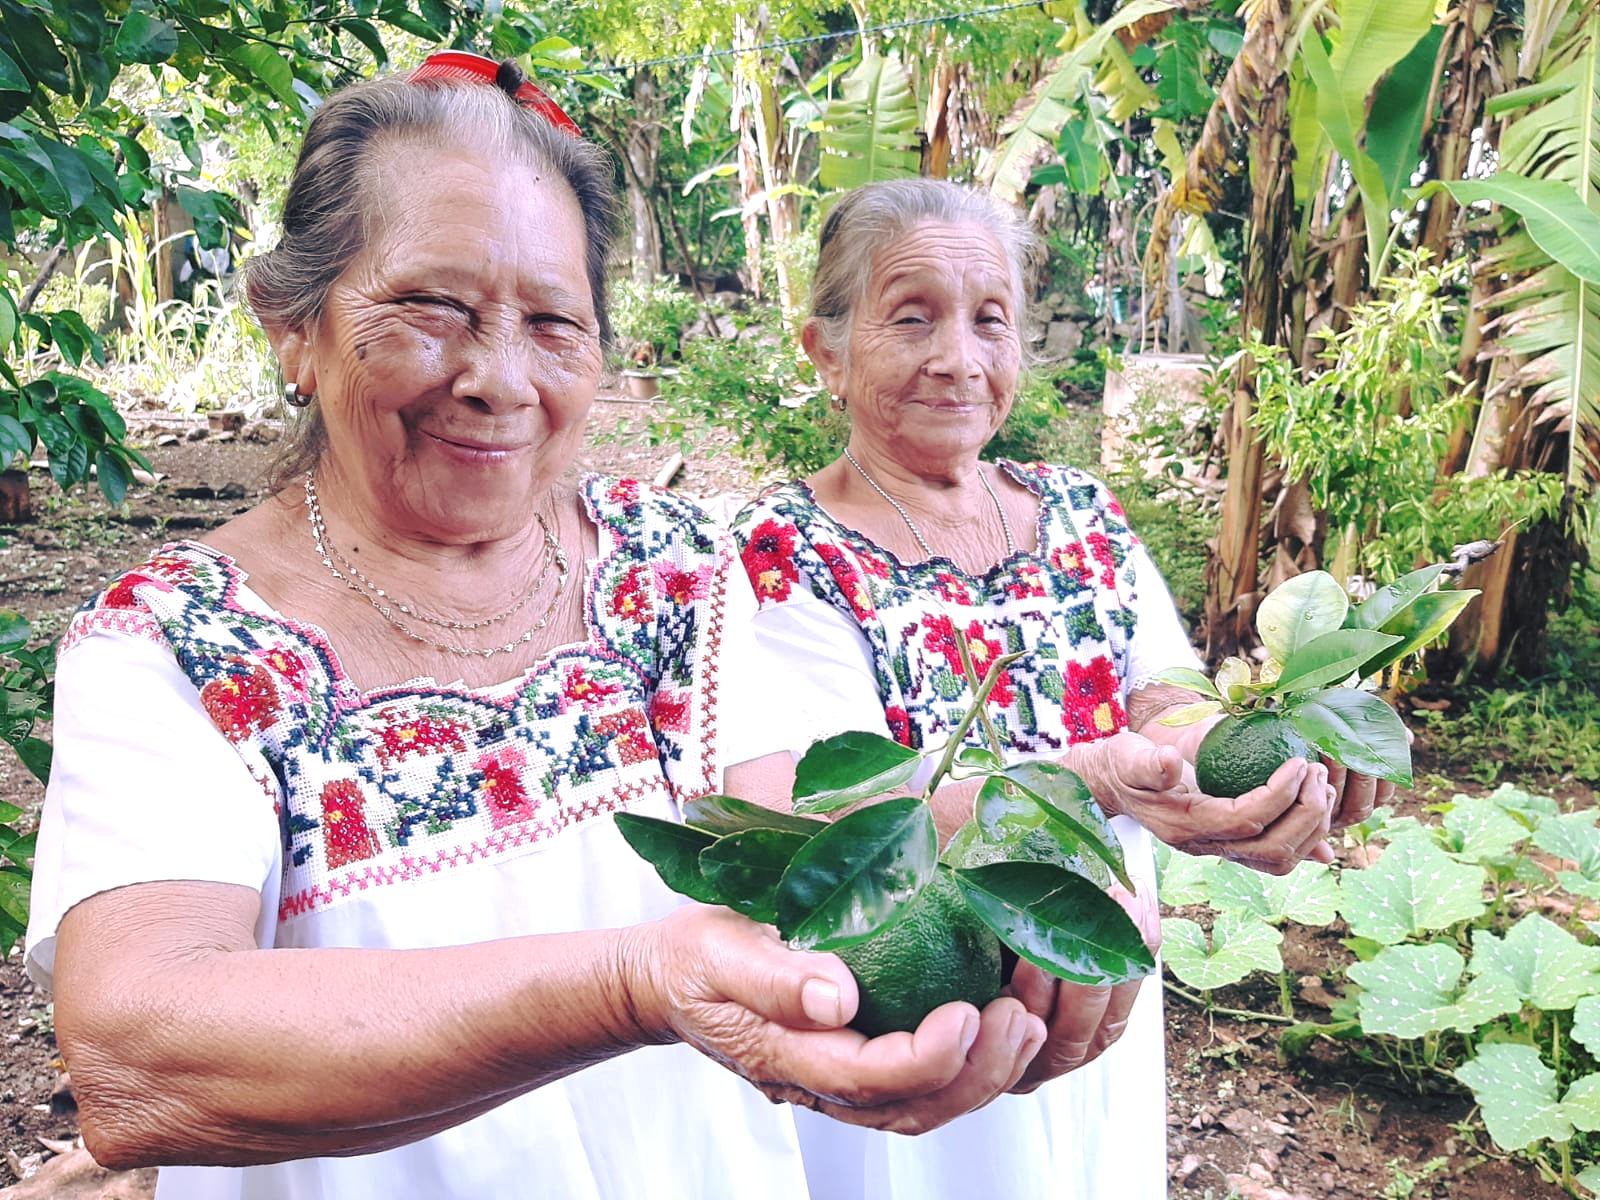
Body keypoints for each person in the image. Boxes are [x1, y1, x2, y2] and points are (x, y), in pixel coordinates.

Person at [23, 62, 1089, 1200]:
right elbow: (139, 1053)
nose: (498, 378)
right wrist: (628, 982)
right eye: (432, 309)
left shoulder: (677, 571)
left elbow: (810, 832)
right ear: (296, 329)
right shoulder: (178, 644)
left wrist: (1045, 859)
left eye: (552, 323)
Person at [731, 178, 1394, 1199]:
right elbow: (831, 819)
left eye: (989, 320)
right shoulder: (779, 554)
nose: (959, 357)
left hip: (1090, 966)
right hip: (918, 989)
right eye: (912, 318)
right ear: (825, 347)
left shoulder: (1079, 509)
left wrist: (1240, 757)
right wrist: (1104, 781)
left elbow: (1165, 689)